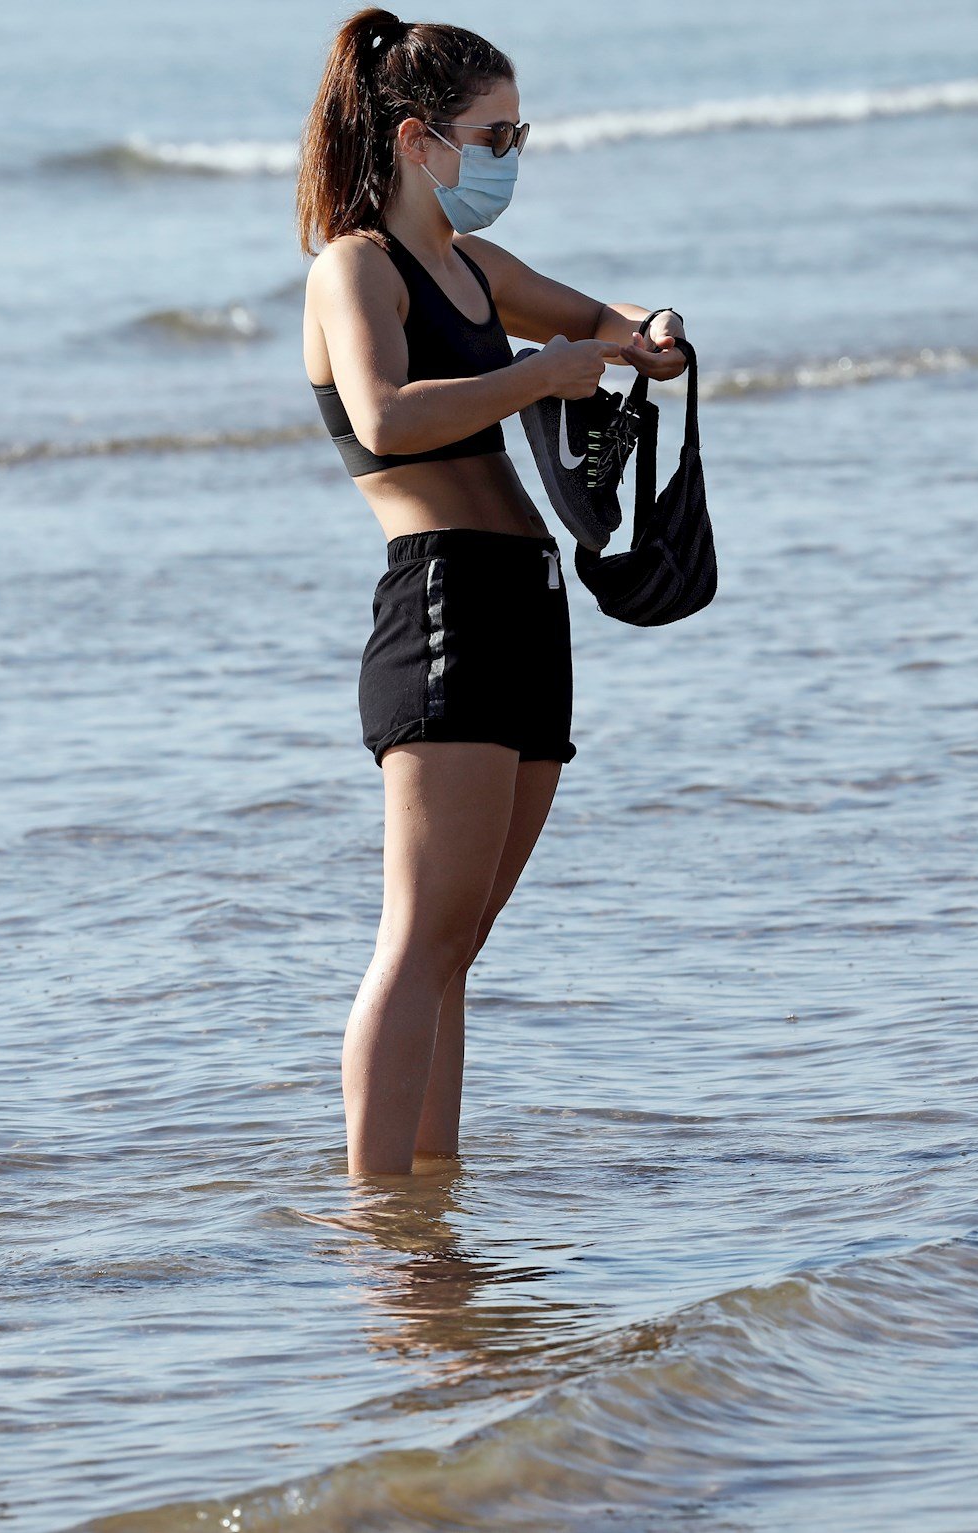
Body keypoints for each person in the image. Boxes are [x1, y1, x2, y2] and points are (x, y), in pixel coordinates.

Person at [299, 10, 690, 1175]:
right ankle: (380, 1218)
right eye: (495, 132)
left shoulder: (473, 269)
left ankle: (434, 1196)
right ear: (419, 140)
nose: (511, 153)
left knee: (457, 946)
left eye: (520, 131)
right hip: (442, 604)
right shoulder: (352, 266)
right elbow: (383, 415)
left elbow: (594, 322)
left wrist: (646, 336)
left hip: (525, 601)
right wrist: (538, 373)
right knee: (418, 936)